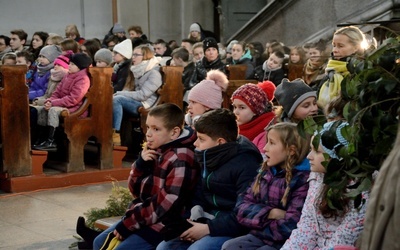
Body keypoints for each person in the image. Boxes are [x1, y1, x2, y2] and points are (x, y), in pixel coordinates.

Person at [93, 103, 200, 250]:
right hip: (145, 219)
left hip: (164, 225)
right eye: (148, 127)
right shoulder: (156, 150)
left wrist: (129, 224)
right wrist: (140, 165)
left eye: (156, 129)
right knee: (99, 242)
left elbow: (166, 204)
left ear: (174, 132)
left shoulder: (181, 158)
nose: (148, 133)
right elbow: (135, 192)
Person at [156, 108, 262, 250]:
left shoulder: (247, 164)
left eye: (201, 139)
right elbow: (199, 196)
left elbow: (244, 214)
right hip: (208, 221)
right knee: (165, 246)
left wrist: (207, 229)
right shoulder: (208, 156)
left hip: (233, 229)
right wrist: (190, 221)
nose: (195, 144)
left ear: (220, 142)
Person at [221, 122, 311, 250]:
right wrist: (270, 213)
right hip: (259, 235)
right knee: (229, 246)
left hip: (284, 242)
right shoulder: (266, 172)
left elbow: (291, 224)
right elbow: (241, 207)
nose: (265, 148)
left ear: (291, 150)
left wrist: (257, 222)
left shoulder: (302, 180)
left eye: (272, 143)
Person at [281, 120, 369, 249]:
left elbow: (346, 237)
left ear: (337, 157)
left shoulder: (359, 189)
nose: (309, 156)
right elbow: (307, 226)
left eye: (317, 151)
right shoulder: (318, 176)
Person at [33, 53, 92, 151]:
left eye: (72, 64)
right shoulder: (68, 75)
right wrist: (49, 101)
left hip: (75, 108)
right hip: (64, 104)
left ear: (80, 67)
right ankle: (42, 139)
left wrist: (53, 104)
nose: (69, 66)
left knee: (53, 111)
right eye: (70, 63)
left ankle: (51, 141)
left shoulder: (83, 79)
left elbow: (73, 99)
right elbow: (57, 93)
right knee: (43, 109)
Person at [112, 44, 162, 145]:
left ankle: (115, 133)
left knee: (117, 99)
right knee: (112, 98)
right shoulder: (137, 69)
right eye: (133, 54)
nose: (133, 57)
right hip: (136, 101)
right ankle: (108, 131)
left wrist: (120, 93)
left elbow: (143, 95)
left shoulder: (154, 73)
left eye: (136, 55)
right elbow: (129, 88)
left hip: (145, 104)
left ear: (145, 56)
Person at [317, 26, 365, 108]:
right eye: (334, 45)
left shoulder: (362, 71)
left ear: (356, 48)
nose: (334, 50)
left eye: (340, 46)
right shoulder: (330, 70)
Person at [231, 82, 276, 155]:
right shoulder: (233, 129)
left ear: (256, 110)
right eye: (235, 107)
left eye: (242, 107)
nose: (236, 112)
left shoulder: (266, 132)